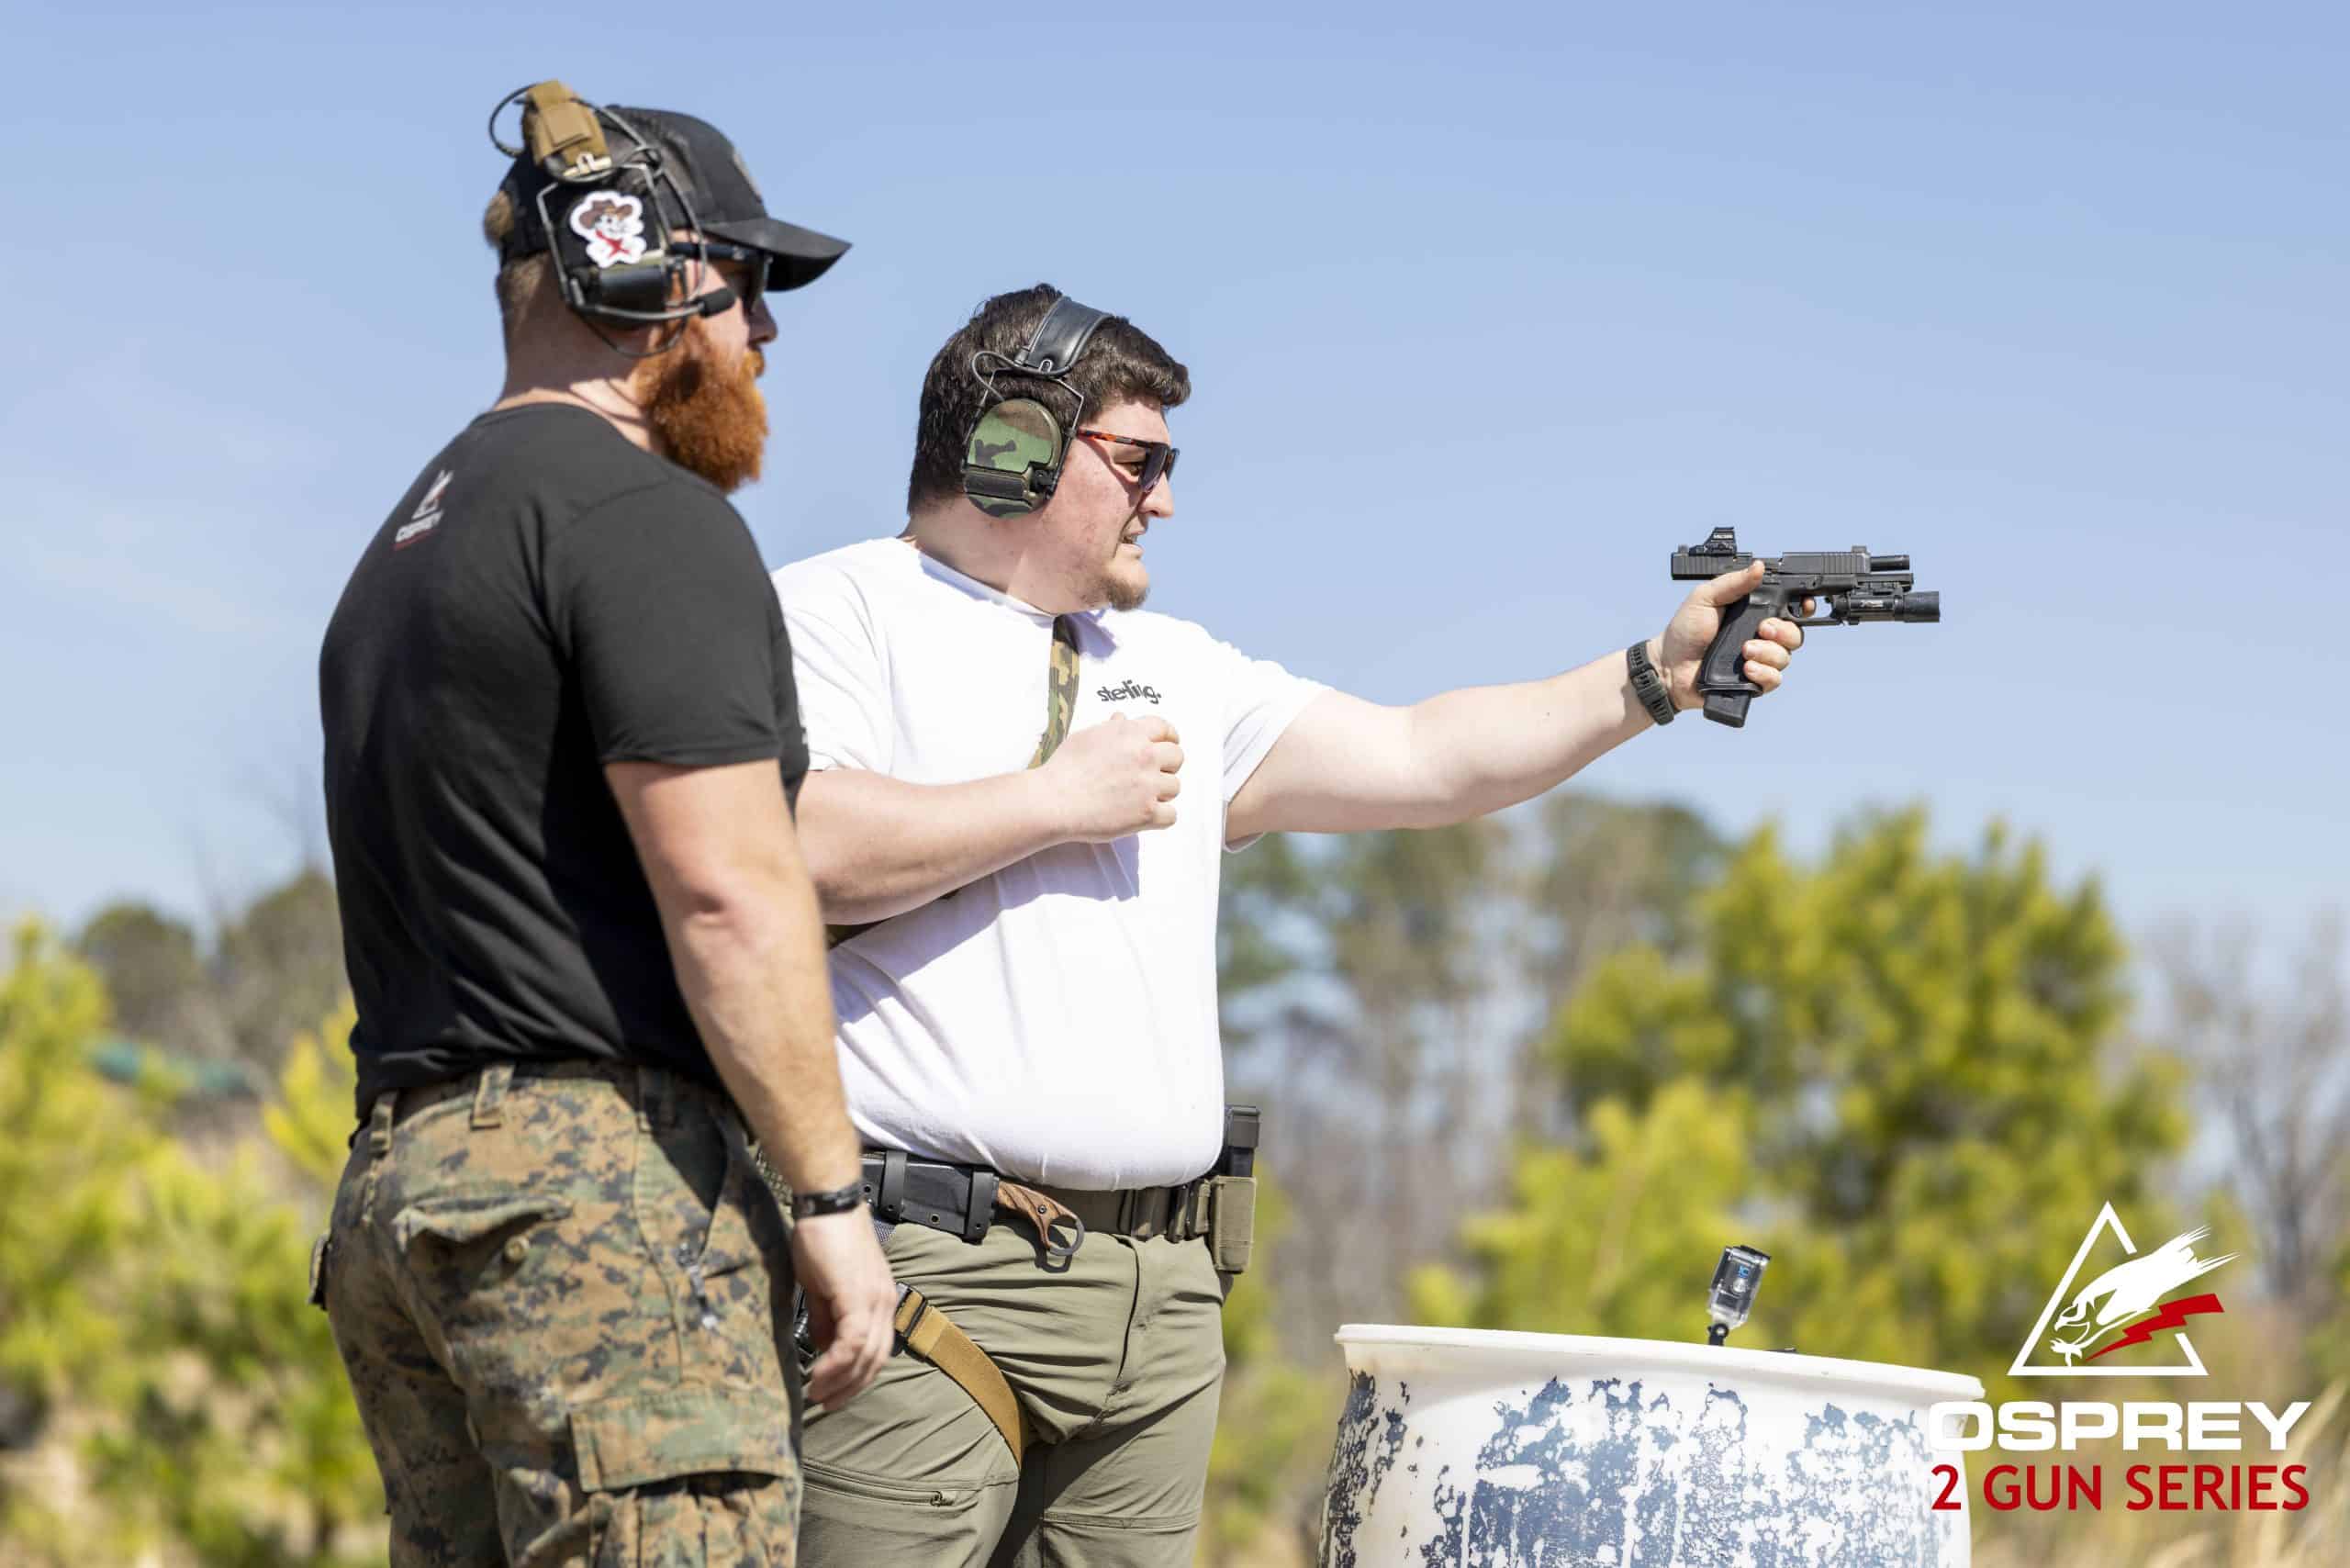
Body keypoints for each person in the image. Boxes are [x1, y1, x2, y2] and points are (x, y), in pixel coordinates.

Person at [771, 284, 1809, 1567]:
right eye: (1141, 461)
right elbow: (798, 847)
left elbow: (1430, 758)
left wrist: (1651, 677)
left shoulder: (1175, 665)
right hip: (934, 1276)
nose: (1165, 499)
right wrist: (1052, 802)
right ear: (1017, 448)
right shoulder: (836, 612)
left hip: (1158, 1305)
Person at [315, 84, 895, 1565]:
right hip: (599, 1195)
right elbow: (730, 890)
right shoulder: (642, 516)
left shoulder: (412, 539)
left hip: (408, 1195)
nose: (764, 334)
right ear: (631, 265)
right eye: (747, 285)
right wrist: (829, 1200)